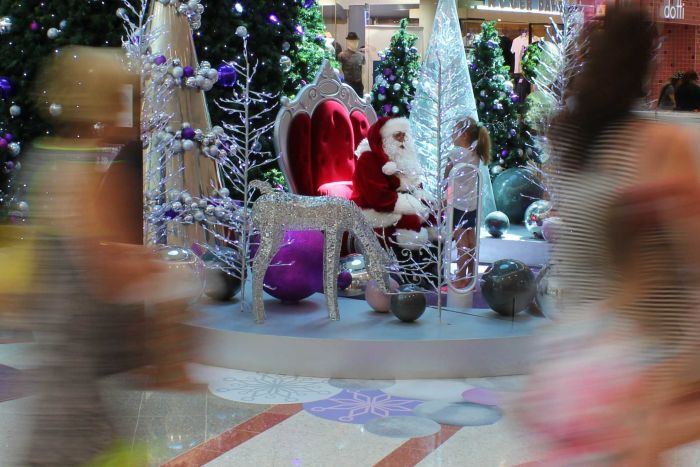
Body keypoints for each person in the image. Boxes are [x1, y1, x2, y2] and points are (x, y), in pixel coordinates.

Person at [517, 5, 700, 464]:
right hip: (641, 355)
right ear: (648, 62)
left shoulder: (575, 145)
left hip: (581, 352)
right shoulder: (657, 146)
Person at [22, 47, 201, 466]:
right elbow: (105, 272)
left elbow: (86, 249)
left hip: (75, 370)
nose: (138, 113)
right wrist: (165, 278)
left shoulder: (57, 159)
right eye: (131, 98)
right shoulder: (77, 171)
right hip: (74, 378)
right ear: (106, 102)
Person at [351, 117, 429, 250]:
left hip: (399, 203)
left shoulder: (404, 157)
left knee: (434, 216)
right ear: (385, 138)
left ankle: (431, 265)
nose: (402, 139)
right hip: (373, 208)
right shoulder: (368, 158)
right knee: (411, 221)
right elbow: (378, 198)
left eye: (404, 135)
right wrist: (412, 204)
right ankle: (408, 267)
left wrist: (422, 199)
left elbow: (415, 184)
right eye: (397, 135)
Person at [444, 117, 491, 289]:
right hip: (472, 204)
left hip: (457, 204)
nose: (452, 134)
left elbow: (446, 179)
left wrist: (444, 198)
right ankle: (471, 274)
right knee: (470, 239)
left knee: (461, 241)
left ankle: (460, 275)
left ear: (463, 135)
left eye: (455, 131)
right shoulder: (476, 154)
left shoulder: (455, 153)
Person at [338, 32, 366, 97]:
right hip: (347, 85)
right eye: (352, 41)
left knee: (359, 105)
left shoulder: (361, 56)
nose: (355, 43)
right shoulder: (342, 55)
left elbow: (363, 73)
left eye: (356, 41)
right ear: (348, 42)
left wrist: (364, 87)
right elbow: (340, 72)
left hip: (359, 85)